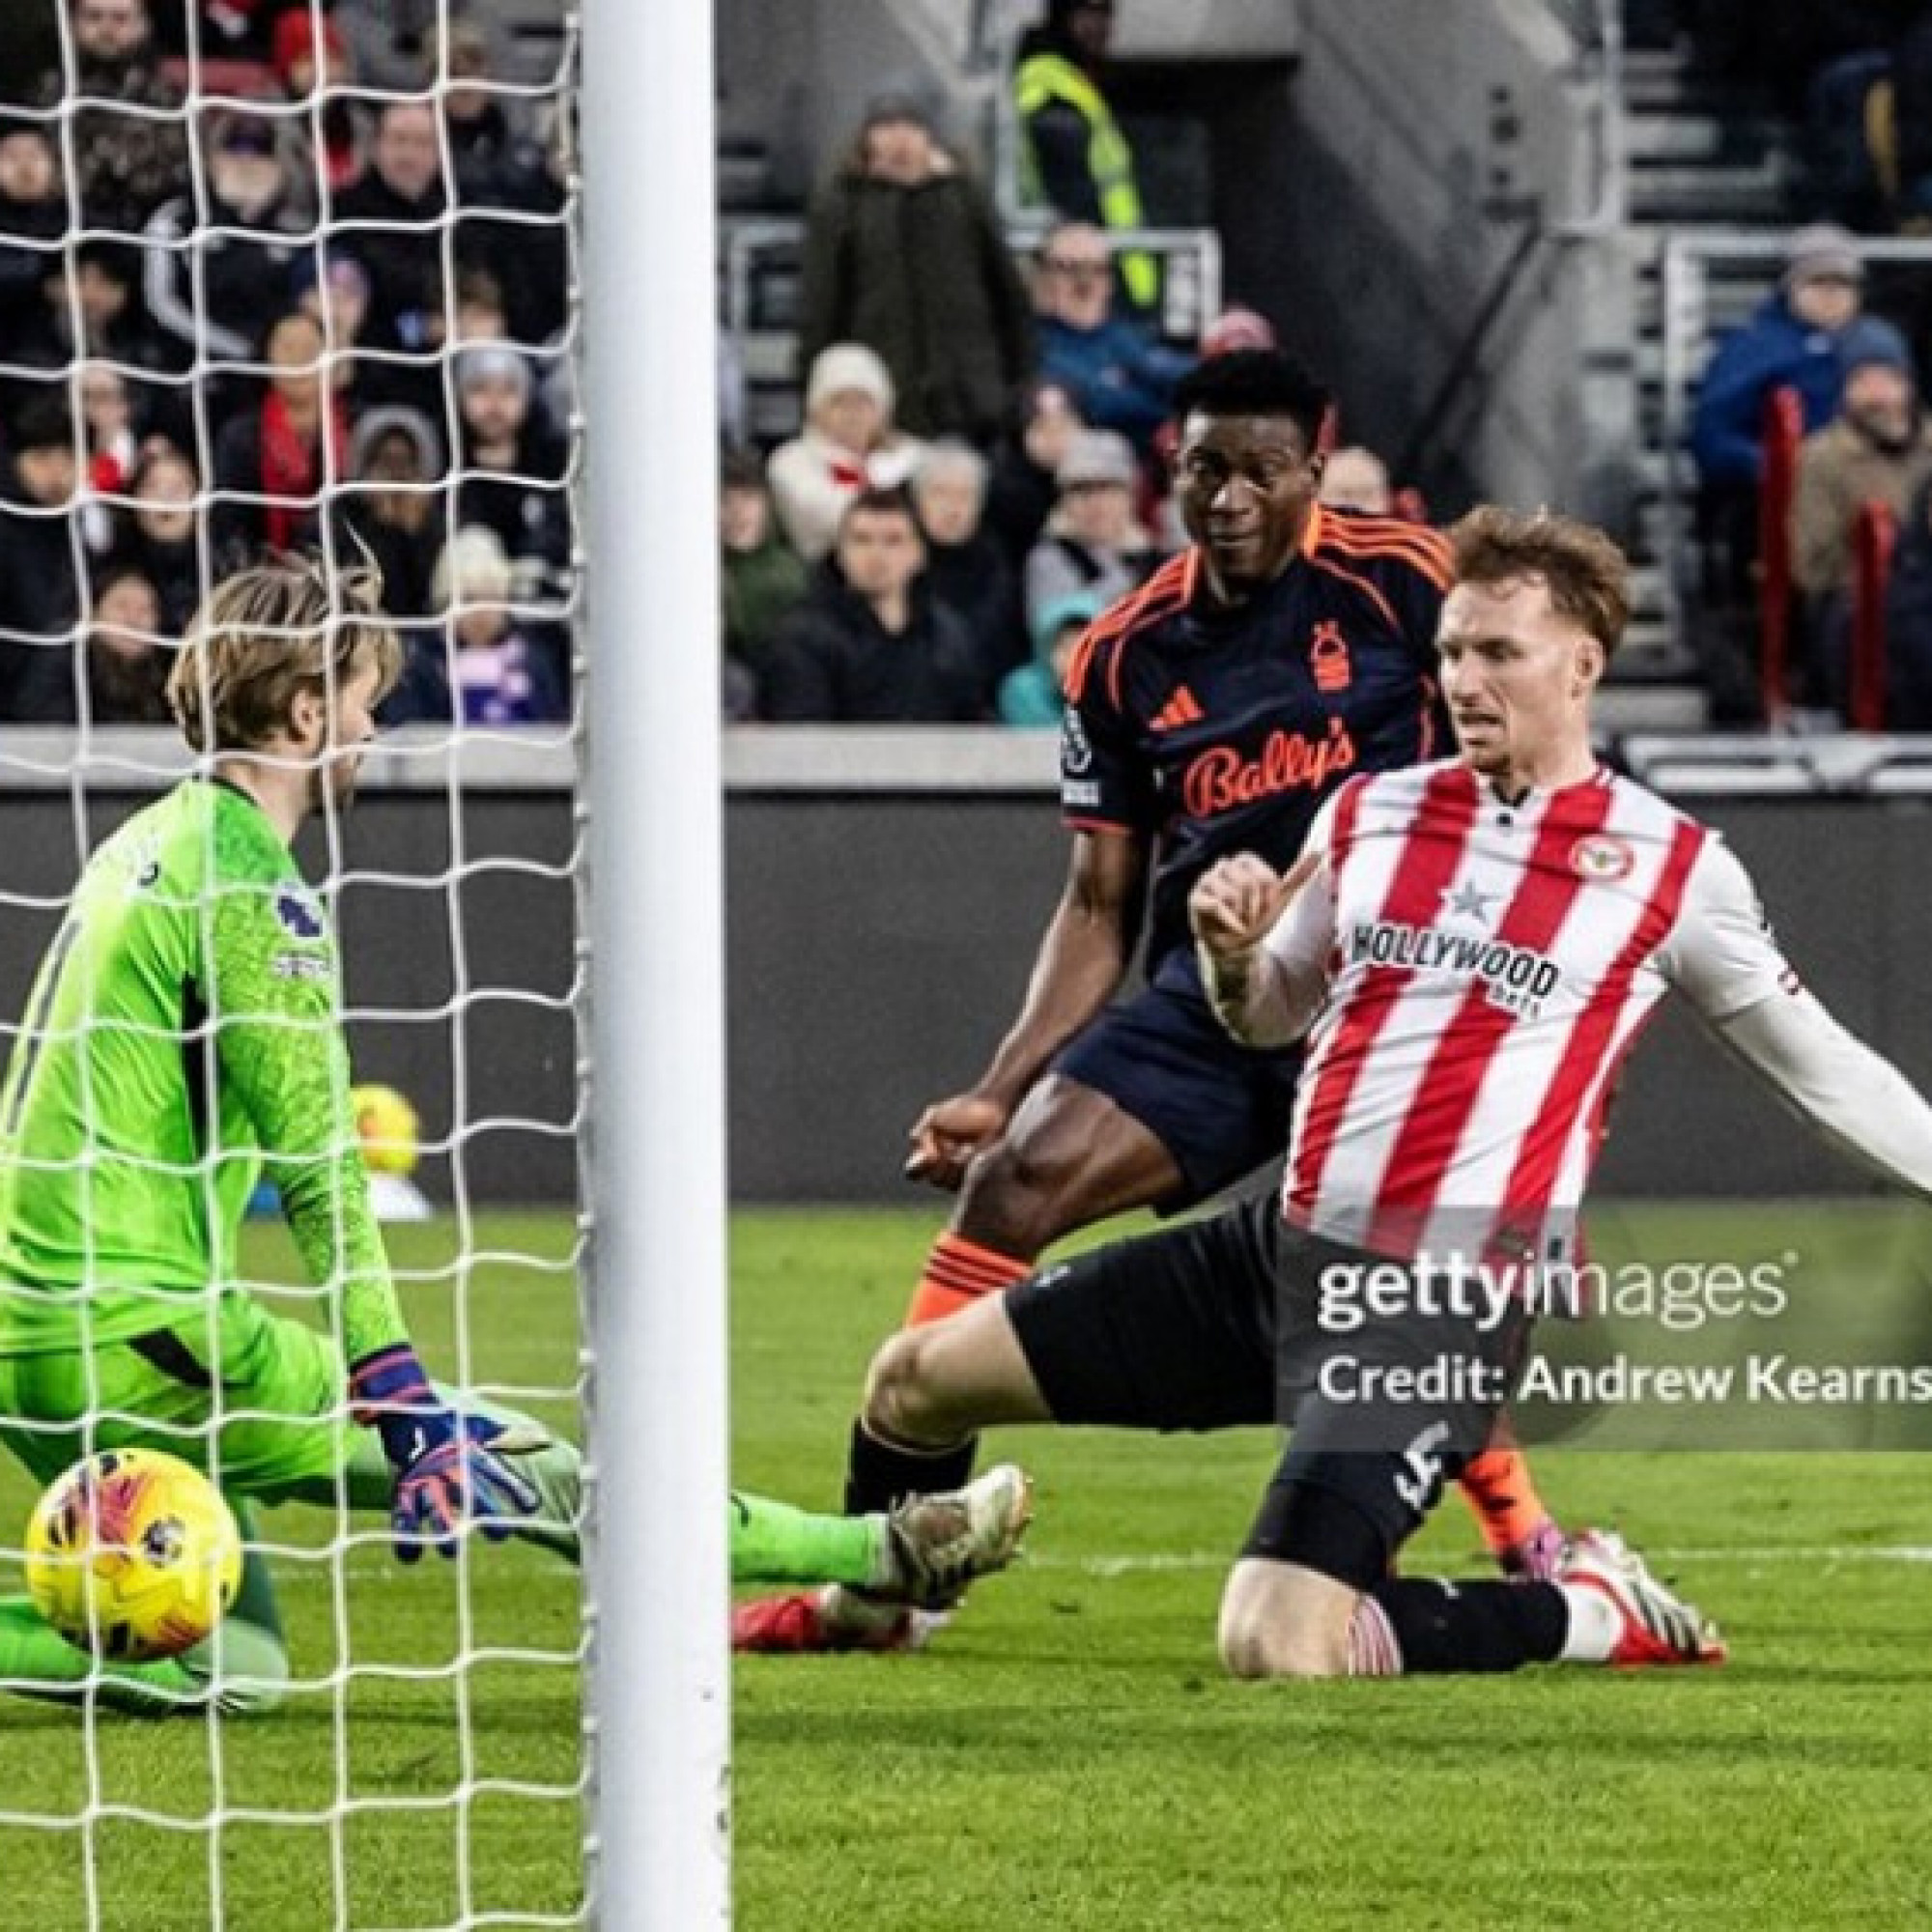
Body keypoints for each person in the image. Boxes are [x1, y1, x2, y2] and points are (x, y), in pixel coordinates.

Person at [849, 504, 1932, 1681]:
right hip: (1275, 1258)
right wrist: (1226, 951)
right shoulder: (1371, 809)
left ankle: (1588, 1610)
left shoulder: (1669, 864)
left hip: (1435, 1309)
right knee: (911, 1380)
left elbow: (1822, 1070)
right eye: (1452, 651)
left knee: (1274, 1643)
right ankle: (879, 1609)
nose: (1464, 679)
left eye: (1497, 653)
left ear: (1581, 665)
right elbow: (1269, 1010)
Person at [0, 553, 1031, 1717]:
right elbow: (322, 1170)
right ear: (302, 710)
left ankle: (878, 1556)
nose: (371, 725)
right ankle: (886, 1552)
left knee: (226, 1654)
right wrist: (393, 1388)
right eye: (361, 699)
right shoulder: (254, 891)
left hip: (35, 1333)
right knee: (511, 1461)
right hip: (139, 1341)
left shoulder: (144, 840)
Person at [734, 350, 1563, 1653]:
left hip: (1390, 1001)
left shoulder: (1406, 584)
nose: (1227, 497)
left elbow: (1524, 727)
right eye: (1202, 469)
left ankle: (1526, 1534)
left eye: (1258, 470)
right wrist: (997, 1086)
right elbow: (1097, 906)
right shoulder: (1123, 653)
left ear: (1314, 467)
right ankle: (890, 1568)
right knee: (1012, 1179)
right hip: (1215, 994)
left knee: (1392, 1267)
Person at [1690, 223, 1911, 608]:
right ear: (1791, 287)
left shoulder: (1879, 345)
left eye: (1842, 284)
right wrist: (1781, 468)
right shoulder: (1753, 349)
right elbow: (1713, 436)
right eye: (1818, 283)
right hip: (1786, 498)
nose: (1831, 296)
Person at [798, 90, 1035, 444]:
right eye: (887, 126)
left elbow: (1006, 294)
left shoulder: (964, 196)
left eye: (911, 125)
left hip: (970, 399)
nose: (900, 139)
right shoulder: (842, 204)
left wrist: (1018, 382)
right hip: (881, 401)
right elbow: (822, 303)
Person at [760, 487, 985, 723]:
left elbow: (970, 727)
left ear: (919, 555)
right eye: (861, 540)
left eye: (893, 541)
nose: (876, 555)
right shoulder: (802, 637)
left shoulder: (948, 633)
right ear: (839, 554)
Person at [1012, 0, 1156, 311]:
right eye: (1089, 13)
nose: (1101, 27)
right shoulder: (1052, 84)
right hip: (1086, 276)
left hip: (1109, 270)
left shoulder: (1077, 84)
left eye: (1106, 13)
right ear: (1062, 19)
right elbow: (1071, 185)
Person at [1033, 221, 1194, 458]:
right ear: (1043, 277)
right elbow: (1099, 404)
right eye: (1070, 268)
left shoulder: (1127, 338)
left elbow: (1185, 378)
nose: (1085, 282)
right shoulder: (1032, 345)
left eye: (1097, 269)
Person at [766, 343, 927, 564]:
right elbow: (837, 518)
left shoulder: (916, 455)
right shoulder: (791, 461)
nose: (852, 413)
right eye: (838, 402)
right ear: (816, 411)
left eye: (863, 402)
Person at [1022, 425, 1157, 633]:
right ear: (1064, 501)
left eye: (1107, 488)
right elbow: (1062, 634)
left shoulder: (1153, 552)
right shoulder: (1050, 558)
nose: (1095, 503)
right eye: (1082, 490)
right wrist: (1125, 578)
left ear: (1129, 497)